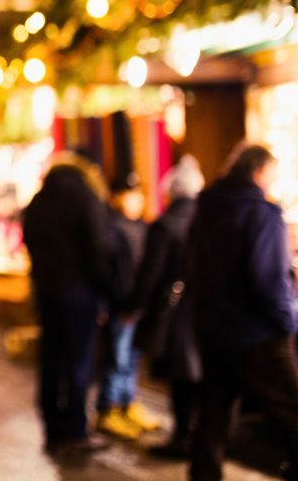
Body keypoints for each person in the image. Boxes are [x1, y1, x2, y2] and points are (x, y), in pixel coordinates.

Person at [188, 144, 298, 481]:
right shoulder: (260, 213)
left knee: (214, 416)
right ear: (260, 172)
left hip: (215, 327)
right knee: (293, 409)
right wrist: (288, 321)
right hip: (258, 333)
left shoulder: (206, 208)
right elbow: (268, 278)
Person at [21, 153, 113, 455]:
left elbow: (29, 242)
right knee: (79, 360)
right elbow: (98, 247)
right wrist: (103, 288)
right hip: (79, 291)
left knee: (51, 358)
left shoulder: (38, 201)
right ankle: (75, 429)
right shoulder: (85, 197)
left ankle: (53, 427)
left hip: (47, 291)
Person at [127, 154, 204, 458]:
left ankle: (183, 436)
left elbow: (150, 273)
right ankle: (197, 436)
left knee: (180, 376)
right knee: (199, 375)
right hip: (206, 307)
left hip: (174, 310)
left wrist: (134, 307)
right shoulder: (209, 220)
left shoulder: (165, 225)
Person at [96, 171, 160, 440]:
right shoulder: (109, 228)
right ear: (116, 198)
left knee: (132, 358)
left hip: (138, 304)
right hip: (119, 306)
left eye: (138, 194)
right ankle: (108, 409)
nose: (135, 200)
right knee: (117, 358)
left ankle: (127, 403)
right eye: (129, 194)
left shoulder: (144, 228)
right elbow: (107, 272)